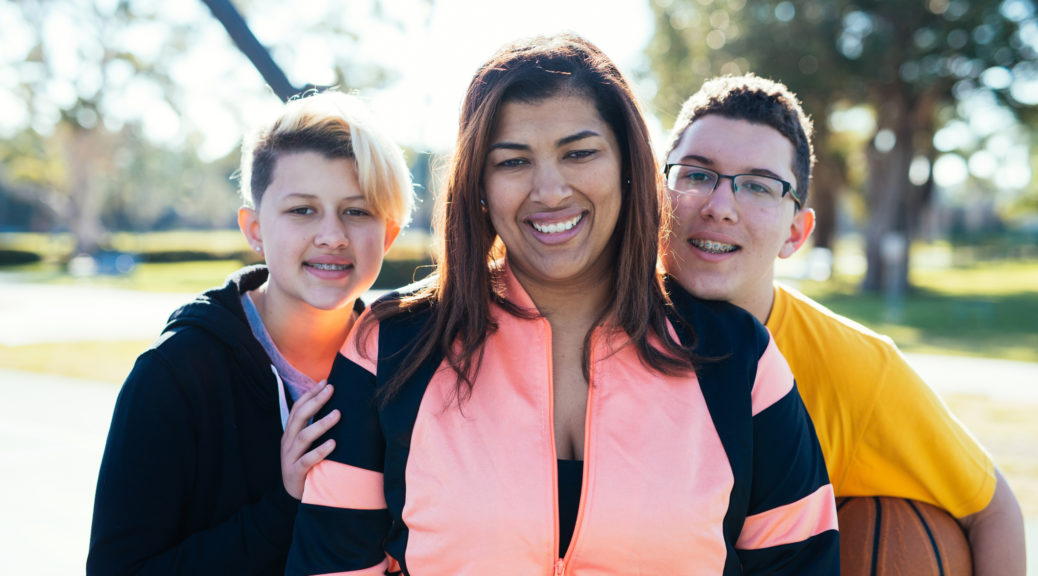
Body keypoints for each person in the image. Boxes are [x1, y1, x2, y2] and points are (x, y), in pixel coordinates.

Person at [285, 34, 838, 576]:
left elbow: (801, 563)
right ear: (478, 183)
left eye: (579, 153)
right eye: (512, 162)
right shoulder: (391, 345)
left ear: (628, 164)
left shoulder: (739, 360)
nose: (549, 191)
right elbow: (331, 563)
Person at [661, 74, 1026, 575]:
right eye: (697, 174)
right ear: (658, 192)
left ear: (796, 232)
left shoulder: (859, 369)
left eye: (758, 186)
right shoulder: (590, 322)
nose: (720, 207)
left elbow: (992, 509)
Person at [87, 90, 414, 575]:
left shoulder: (407, 369)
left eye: (357, 210)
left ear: (388, 234)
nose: (333, 234)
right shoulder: (174, 374)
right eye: (303, 210)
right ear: (255, 228)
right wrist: (283, 505)